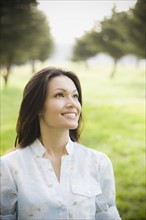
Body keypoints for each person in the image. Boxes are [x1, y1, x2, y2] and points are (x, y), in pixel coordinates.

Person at [0, 67, 121, 220]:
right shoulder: (9, 167)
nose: (72, 103)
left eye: (75, 96)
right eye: (59, 95)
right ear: (37, 107)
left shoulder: (98, 162)